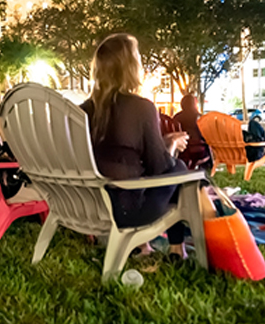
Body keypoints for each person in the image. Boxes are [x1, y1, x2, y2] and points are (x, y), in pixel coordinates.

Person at [81, 34, 196, 258]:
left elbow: (116, 153)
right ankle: (177, 248)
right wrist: (170, 149)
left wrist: (165, 143)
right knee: (180, 169)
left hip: (89, 207)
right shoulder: (140, 108)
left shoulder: (83, 110)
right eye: (138, 57)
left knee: (173, 168)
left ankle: (145, 247)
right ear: (130, 67)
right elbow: (159, 168)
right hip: (129, 212)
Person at [171, 94, 209, 170]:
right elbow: (204, 135)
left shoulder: (176, 117)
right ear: (194, 104)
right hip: (198, 148)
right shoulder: (199, 117)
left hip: (181, 149)